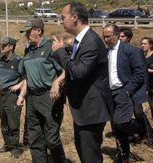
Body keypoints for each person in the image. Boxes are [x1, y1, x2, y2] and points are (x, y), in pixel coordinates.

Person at [52, 2, 113, 163]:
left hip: (91, 111)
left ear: (75, 18)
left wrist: (60, 52)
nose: (61, 21)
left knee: (90, 156)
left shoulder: (91, 42)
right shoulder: (83, 40)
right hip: (84, 110)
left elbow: (79, 72)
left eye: (63, 17)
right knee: (84, 153)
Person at [17, 19, 67, 163]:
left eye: (28, 31)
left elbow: (67, 70)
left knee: (52, 138)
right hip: (32, 98)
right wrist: (22, 95)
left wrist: (56, 84)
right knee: (35, 138)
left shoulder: (52, 47)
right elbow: (26, 76)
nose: (26, 35)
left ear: (38, 30)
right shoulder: (28, 50)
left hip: (49, 97)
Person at [102, 24, 150, 162]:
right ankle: (123, 154)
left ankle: (141, 129)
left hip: (123, 91)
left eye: (108, 36)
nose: (106, 39)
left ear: (117, 35)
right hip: (110, 93)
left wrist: (127, 90)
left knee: (120, 122)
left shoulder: (130, 50)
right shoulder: (107, 52)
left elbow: (140, 73)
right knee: (116, 126)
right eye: (104, 36)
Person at [0, 36, 24, 158]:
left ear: (11, 47)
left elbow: (26, 77)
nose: (1, 47)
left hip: (13, 95)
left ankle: (15, 148)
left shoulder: (18, 61)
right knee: (4, 120)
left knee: (13, 122)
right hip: (2, 95)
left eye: (4, 45)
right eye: (1, 45)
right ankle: (7, 144)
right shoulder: (1, 60)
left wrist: (18, 85)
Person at [141, 37, 153, 119]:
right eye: (141, 43)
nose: (142, 45)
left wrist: (148, 70)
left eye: (145, 44)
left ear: (150, 45)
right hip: (148, 87)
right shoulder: (142, 56)